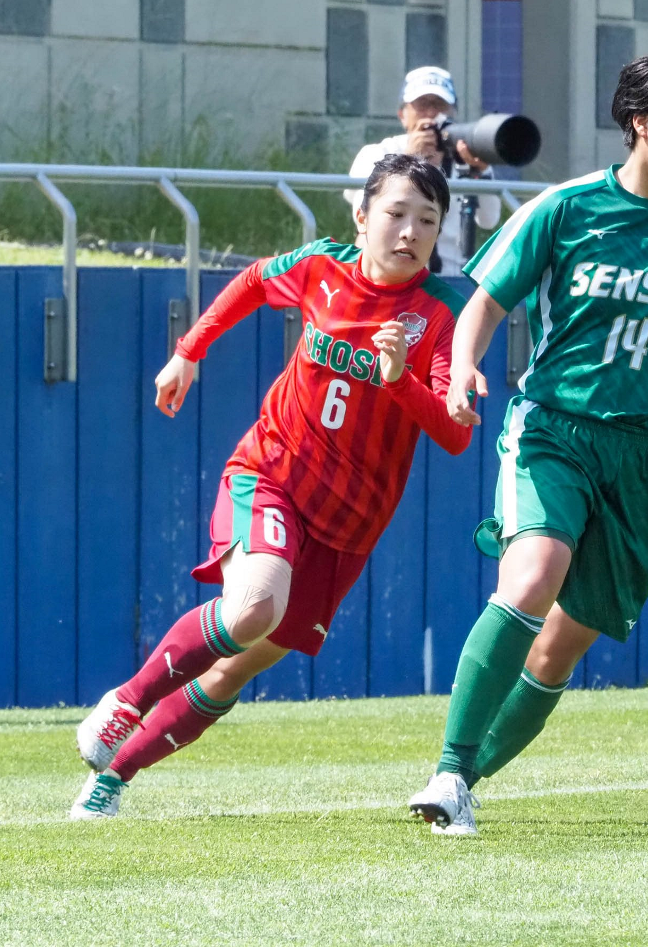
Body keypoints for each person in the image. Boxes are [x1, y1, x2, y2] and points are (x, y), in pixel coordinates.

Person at [406, 52, 648, 835]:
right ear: (642, 123)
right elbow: (485, 302)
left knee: (558, 651)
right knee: (534, 575)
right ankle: (448, 769)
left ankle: (464, 783)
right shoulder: (566, 208)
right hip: (554, 428)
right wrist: (461, 367)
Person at [69, 154, 471, 819]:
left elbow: (455, 436)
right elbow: (255, 282)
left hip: (350, 526)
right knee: (253, 605)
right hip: (274, 473)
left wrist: (400, 376)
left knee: (235, 667)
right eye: (397, 213)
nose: (410, 231)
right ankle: (126, 700)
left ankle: (113, 779)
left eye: (427, 220)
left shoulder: (443, 311)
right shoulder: (322, 266)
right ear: (363, 214)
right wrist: (188, 351)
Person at [344, 66, 501, 275]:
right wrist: (409, 158)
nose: (431, 113)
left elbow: (489, 220)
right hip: (394, 278)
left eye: (439, 104)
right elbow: (364, 218)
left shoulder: (464, 157)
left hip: (451, 278)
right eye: (422, 104)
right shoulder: (378, 153)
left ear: (453, 112)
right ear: (402, 115)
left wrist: (481, 170)